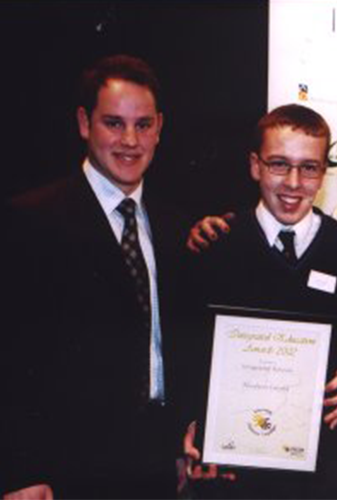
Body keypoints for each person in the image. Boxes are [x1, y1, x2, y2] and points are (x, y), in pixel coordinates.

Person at [2, 55, 189, 499]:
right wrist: (20, 470)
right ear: (85, 123)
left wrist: (180, 439)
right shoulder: (31, 220)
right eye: (114, 123)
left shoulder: (177, 226)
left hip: (158, 466)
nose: (130, 140)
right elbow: (9, 356)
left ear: (160, 128)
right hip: (66, 469)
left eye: (143, 125)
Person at [182, 104, 337, 499]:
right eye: (278, 164)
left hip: (318, 467)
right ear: (255, 166)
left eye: (309, 168)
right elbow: (187, 343)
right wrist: (188, 420)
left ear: (323, 174)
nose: (293, 183)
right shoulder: (217, 243)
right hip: (229, 467)